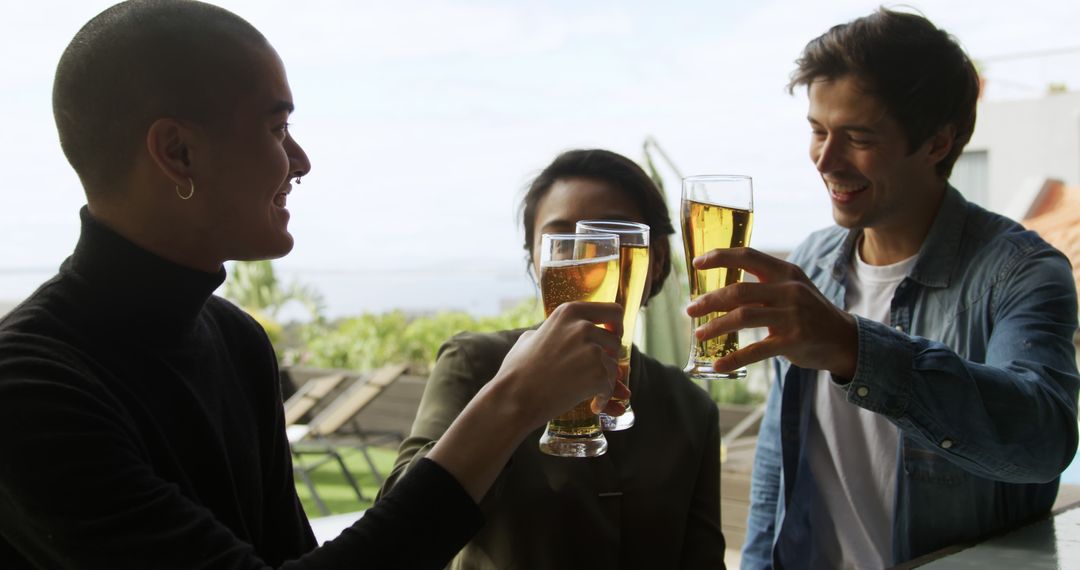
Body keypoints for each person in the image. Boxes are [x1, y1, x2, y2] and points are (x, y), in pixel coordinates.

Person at [0, 2, 627, 568]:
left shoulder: (234, 341)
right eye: (277, 129)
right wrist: (510, 401)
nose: (300, 161)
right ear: (177, 152)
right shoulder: (29, 387)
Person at [684, 8, 1080, 569]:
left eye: (857, 137)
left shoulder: (1021, 272)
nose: (825, 159)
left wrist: (854, 348)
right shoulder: (814, 262)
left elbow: (1044, 440)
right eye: (818, 131)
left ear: (938, 142)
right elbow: (780, 454)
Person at [381, 148, 726, 569]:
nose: (588, 259)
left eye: (612, 235)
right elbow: (395, 530)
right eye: (563, 239)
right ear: (537, 261)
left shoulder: (691, 407)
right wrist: (514, 401)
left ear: (652, 262)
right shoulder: (475, 363)